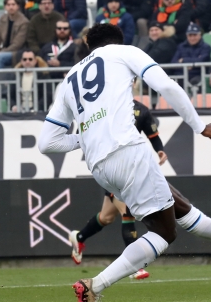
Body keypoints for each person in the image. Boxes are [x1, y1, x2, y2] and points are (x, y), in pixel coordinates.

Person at [38, 23, 211, 301]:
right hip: (128, 150)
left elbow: (47, 143)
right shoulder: (124, 51)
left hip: (100, 168)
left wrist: (87, 137)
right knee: (165, 233)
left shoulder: (69, 78)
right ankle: (95, 286)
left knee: (177, 207)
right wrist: (199, 126)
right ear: (118, 40)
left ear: (89, 44)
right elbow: (164, 84)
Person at [68, 98, 169, 281]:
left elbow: (153, 135)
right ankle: (136, 266)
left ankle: (79, 237)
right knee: (127, 212)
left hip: (130, 166)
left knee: (106, 217)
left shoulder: (141, 110)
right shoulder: (107, 104)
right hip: (112, 167)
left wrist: (160, 150)